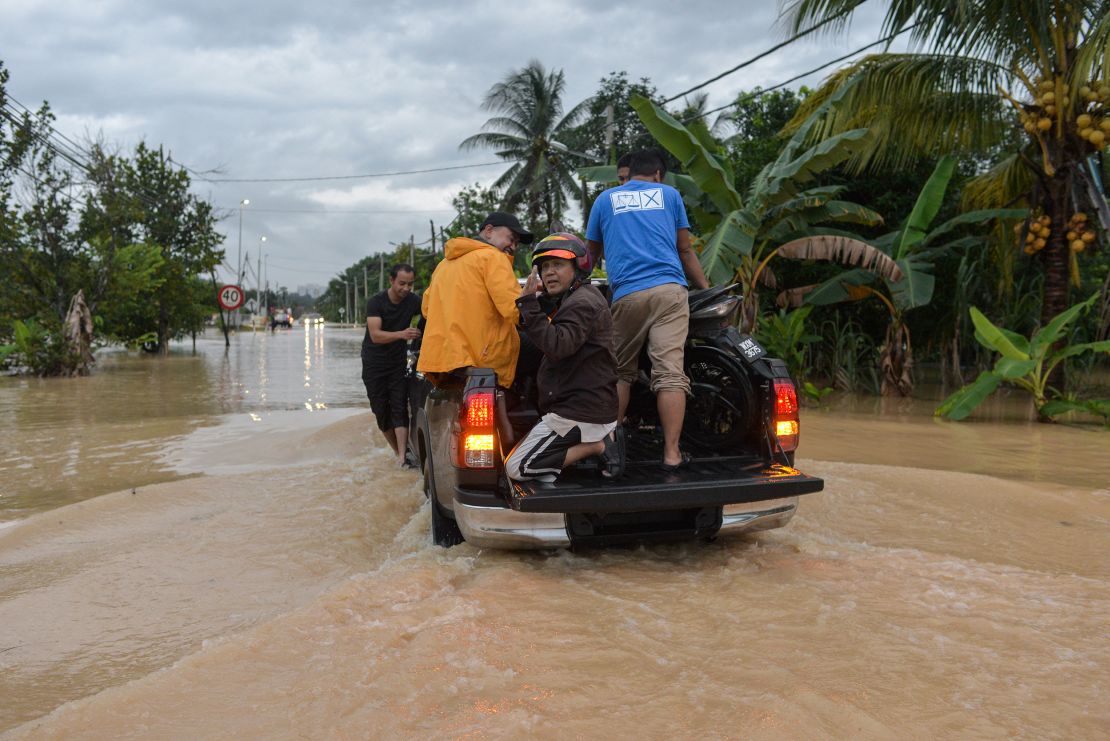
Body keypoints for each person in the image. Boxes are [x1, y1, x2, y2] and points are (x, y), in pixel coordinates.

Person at [584, 148, 709, 471]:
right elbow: (684, 249)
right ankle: (671, 453)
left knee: (620, 373)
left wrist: (575, 288)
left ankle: (609, 449)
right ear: (657, 174)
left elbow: (590, 255)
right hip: (670, 291)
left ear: (629, 172)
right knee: (669, 373)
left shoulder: (605, 199)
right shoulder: (669, 195)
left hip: (627, 294)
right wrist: (707, 289)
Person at [505, 233, 621, 483]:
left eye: (558, 265)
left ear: (577, 267)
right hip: (578, 405)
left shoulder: (582, 303)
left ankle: (598, 446)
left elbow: (558, 344)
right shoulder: (576, 298)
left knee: (518, 467)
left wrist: (527, 304)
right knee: (542, 474)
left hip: (578, 411)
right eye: (545, 267)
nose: (549, 273)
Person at [417, 211, 533, 388]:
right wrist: (537, 308)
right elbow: (516, 309)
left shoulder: (443, 265)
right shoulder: (494, 257)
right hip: (483, 357)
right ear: (488, 231)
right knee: (541, 350)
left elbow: (426, 309)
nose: (513, 247)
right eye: (511, 239)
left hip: (441, 361)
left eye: (516, 243)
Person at [362, 263, 422, 467]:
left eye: (410, 284)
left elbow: (432, 310)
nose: (406, 289)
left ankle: (402, 458)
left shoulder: (413, 301)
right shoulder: (376, 302)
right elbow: (375, 335)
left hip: (397, 362)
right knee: (381, 411)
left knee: (399, 407)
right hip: (374, 364)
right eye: (402, 284)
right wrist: (402, 335)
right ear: (392, 281)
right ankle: (399, 451)